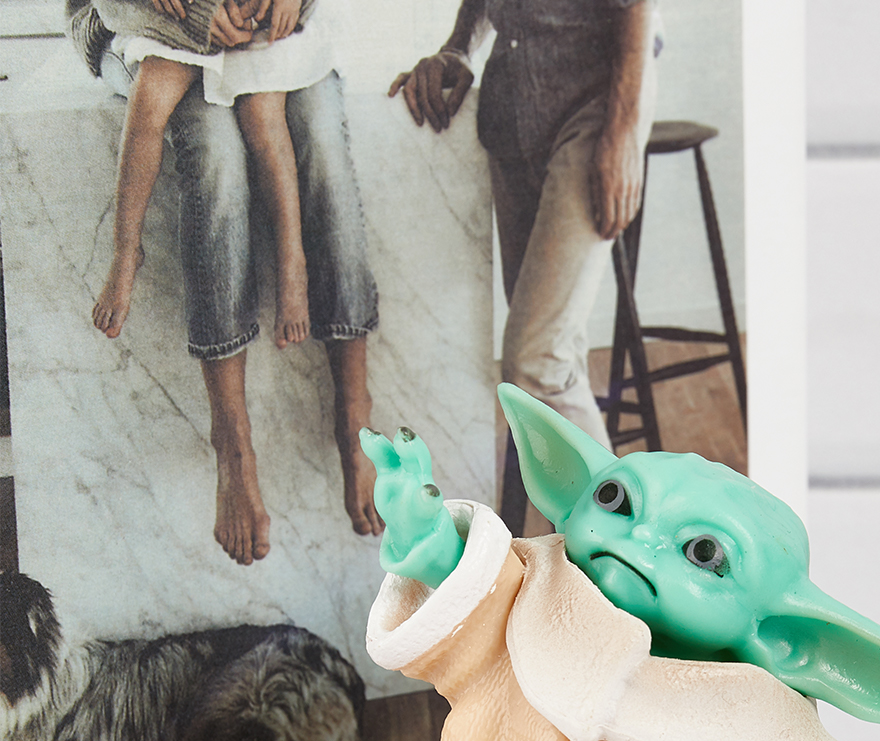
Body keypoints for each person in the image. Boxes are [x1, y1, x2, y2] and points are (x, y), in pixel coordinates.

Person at [69, 0, 382, 564]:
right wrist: (192, 18)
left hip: (261, 25)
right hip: (147, 22)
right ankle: (232, 445)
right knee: (215, 156)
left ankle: (355, 416)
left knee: (320, 140)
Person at [389, 0, 657, 455]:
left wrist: (624, 133)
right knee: (553, 355)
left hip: (595, 107)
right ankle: (563, 501)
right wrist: (457, 47)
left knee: (536, 362)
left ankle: (614, 504)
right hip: (512, 113)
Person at [93, 0, 327, 351]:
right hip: (180, 17)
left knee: (263, 115)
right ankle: (126, 251)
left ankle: (292, 259)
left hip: (255, 17)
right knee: (151, 96)